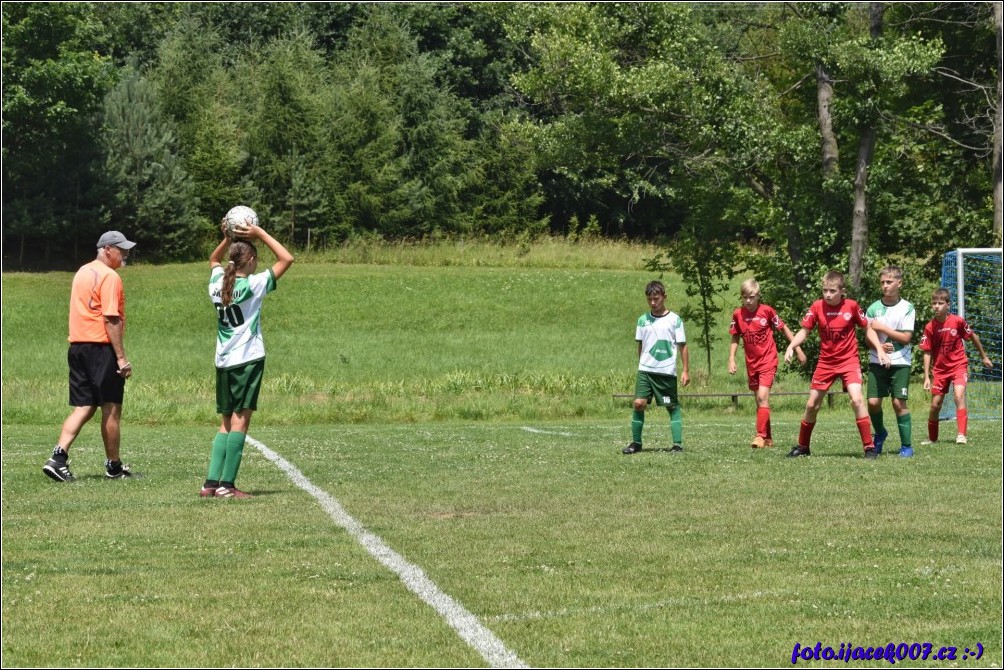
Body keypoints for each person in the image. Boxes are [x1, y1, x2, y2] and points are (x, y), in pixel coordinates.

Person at [200, 217, 294, 498]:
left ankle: (209, 484)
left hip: (223, 360)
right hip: (247, 360)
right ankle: (227, 486)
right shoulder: (254, 285)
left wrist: (228, 239)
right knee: (241, 421)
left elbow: (213, 260)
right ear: (251, 259)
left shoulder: (217, 281)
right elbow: (287, 258)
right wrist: (259, 232)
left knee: (226, 422)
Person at [43, 231, 137, 482]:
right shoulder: (110, 277)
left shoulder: (82, 272)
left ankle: (58, 458)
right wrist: (120, 358)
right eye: (122, 250)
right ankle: (113, 466)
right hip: (100, 348)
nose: (126, 254)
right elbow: (110, 318)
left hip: (77, 347)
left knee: (84, 406)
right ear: (107, 249)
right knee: (112, 407)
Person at [784, 270, 890, 459]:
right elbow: (804, 331)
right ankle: (803, 447)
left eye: (832, 291)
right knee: (811, 405)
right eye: (825, 290)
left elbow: (868, 329)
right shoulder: (817, 307)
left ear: (842, 291)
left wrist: (880, 349)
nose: (828, 295)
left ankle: (869, 448)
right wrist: (792, 345)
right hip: (826, 362)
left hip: (849, 360)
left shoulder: (851, 306)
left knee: (857, 400)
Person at [727, 278, 806, 449]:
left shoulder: (767, 311)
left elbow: (784, 328)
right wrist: (732, 358)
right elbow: (735, 336)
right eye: (745, 297)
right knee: (760, 401)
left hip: (768, 360)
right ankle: (768, 438)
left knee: (762, 397)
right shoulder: (737, 314)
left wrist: (797, 350)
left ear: (758, 296)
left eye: (752, 297)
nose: (748, 301)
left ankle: (759, 436)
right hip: (751, 363)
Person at [919, 288, 993, 445]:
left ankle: (961, 435)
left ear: (948, 305)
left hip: (958, 365)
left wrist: (984, 357)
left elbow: (972, 336)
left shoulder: (957, 321)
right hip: (939, 370)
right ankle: (932, 438)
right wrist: (926, 376)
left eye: (940, 303)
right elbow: (927, 351)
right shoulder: (929, 327)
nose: (936, 306)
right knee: (935, 405)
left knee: (958, 396)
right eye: (934, 303)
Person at [623, 280, 689, 454]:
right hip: (645, 371)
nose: (653, 302)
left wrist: (685, 371)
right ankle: (636, 443)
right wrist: (641, 364)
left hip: (666, 372)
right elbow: (641, 345)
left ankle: (677, 444)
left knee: (672, 406)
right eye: (650, 299)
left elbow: (682, 345)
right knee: (638, 404)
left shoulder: (675, 320)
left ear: (664, 297)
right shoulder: (642, 320)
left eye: (656, 298)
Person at [864, 266, 916, 457]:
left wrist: (883, 328)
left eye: (889, 282)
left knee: (898, 403)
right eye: (882, 282)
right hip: (876, 361)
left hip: (900, 362)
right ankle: (880, 433)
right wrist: (878, 346)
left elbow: (905, 338)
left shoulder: (907, 308)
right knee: (873, 402)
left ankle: (906, 446)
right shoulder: (872, 308)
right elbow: (867, 337)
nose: (885, 286)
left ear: (899, 283)